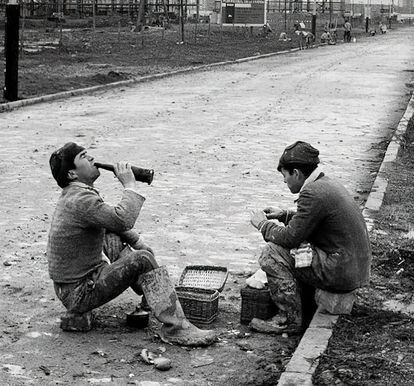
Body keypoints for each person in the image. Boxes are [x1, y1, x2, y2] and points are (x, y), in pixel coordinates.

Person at [47, 142, 216, 346]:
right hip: (79, 292)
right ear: (72, 174)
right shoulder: (80, 198)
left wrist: (138, 241)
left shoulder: (76, 194)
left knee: (114, 239)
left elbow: (111, 224)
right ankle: (176, 329)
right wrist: (129, 185)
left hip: (73, 285)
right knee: (142, 260)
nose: (91, 158)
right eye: (83, 156)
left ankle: (154, 298)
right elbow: (122, 219)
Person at [249, 141, 371, 335]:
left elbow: (290, 238)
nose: (284, 181)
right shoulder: (325, 183)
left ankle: (288, 319)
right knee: (296, 250)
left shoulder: (311, 192)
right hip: (352, 267)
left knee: (271, 253)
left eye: (285, 176)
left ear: (296, 173)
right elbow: (312, 221)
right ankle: (305, 304)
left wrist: (263, 225)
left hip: (340, 272)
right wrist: (284, 215)